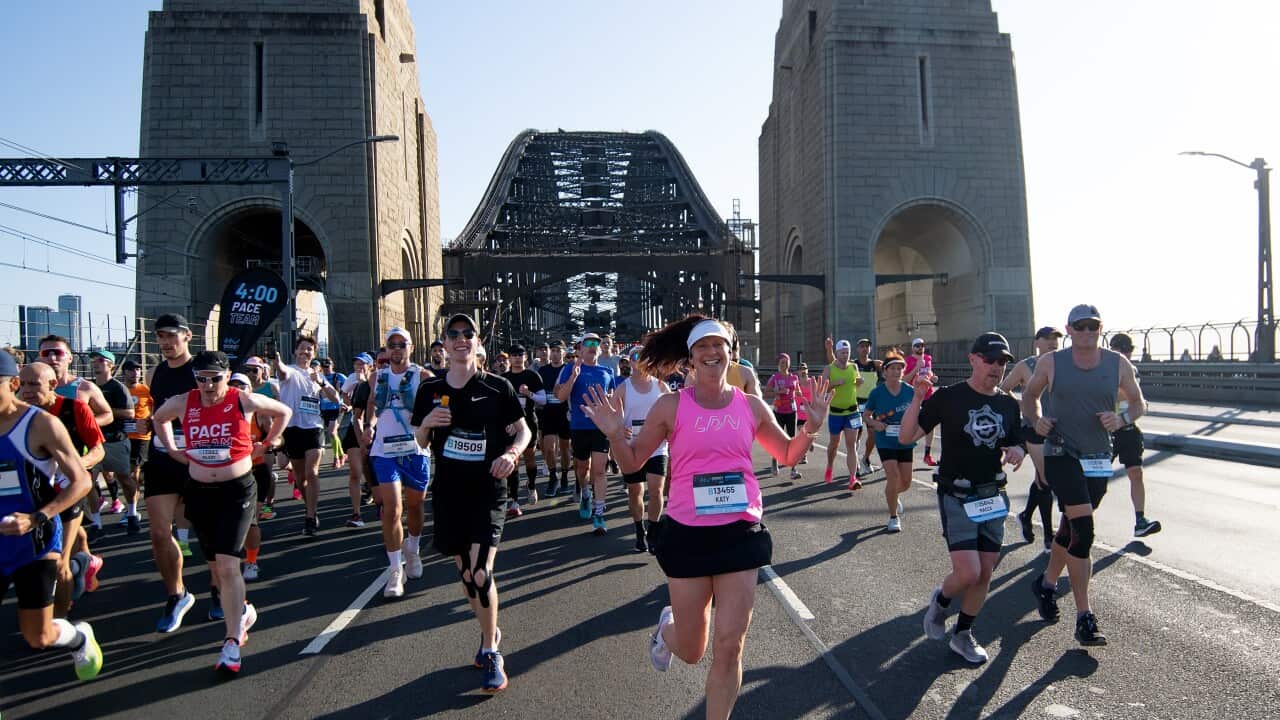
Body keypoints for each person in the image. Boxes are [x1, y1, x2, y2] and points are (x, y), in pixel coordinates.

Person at [580, 315, 830, 720]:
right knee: (692, 651)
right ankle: (667, 631)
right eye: (702, 347)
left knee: (729, 646)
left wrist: (810, 427)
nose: (712, 353)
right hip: (688, 534)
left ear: (731, 353)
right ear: (690, 359)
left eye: (718, 346)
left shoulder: (750, 405)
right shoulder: (671, 406)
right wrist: (612, 434)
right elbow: (633, 462)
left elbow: (787, 454)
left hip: (740, 532)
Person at [412, 313, 531, 693]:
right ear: (444, 344)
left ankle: (492, 651)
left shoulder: (497, 387)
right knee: (466, 575)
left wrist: (511, 454)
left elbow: (524, 430)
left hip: (488, 489)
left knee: (480, 572)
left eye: (468, 334)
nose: (461, 339)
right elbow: (420, 441)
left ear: (478, 342)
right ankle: (488, 630)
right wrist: (427, 423)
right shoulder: (430, 390)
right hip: (449, 492)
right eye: (454, 334)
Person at [151, 351, 290, 674]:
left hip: (236, 490)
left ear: (227, 377)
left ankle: (231, 643)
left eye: (215, 379)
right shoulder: (184, 402)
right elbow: (159, 418)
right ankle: (242, 610)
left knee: (228, 566)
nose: (208, 385)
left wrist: (266, 443)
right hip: (200, 491)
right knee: (216, 568)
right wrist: (172, 449)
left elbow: (283, 411)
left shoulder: (242, 399)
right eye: (202, 379)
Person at [1021, 304, 1146, 646]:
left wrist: (1122, 419)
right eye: (1080, 326)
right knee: (1085, 531)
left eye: (1093, 326)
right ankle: (1084, 616)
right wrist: (1036, 421)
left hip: (1098, 456)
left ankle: (1045, 585)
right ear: (1069, 330)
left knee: (1070, 528)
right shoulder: (1052, 362)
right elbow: (1029, 396)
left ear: (1100, 328)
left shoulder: (1117, 364)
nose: (1087, 332)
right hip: (1061, 452)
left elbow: (1138, 403)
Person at [901, 332, 1025, 664]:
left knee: (984, 573)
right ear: (973, 359)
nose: (996, 367)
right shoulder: (948, 397)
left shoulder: (1008, 404)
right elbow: (907, 436)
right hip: (957, 494)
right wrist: (917, 398)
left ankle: (963, 634)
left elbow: (1017, 439)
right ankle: (941, 602)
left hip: (993, 495)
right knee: (969, 572)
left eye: (1002, 362)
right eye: (990, 360)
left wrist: (1018, 450)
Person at [0, 349, 103, 681]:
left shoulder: (41, 424)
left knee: (38, 636)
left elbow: (82, 481)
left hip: (34, 540)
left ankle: (79, 637)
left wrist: (38, 517)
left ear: (12, 384)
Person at [18, 363, 106, 618]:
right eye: (22, 385)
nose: (26, 391)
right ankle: (86, 561)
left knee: (58, 563)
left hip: (69, 490)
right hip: (34, 493)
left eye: (34, 384)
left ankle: (61, 620)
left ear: (53, 385)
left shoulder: (75, 408)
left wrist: (75, 465)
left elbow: (98, 449)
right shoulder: (18, 413)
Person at [139, 314, 199, 632]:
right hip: (162, 457)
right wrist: (148, 423)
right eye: (160, 336)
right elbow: (157, 412)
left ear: (187, 336)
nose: (164, 342)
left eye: (171, 336)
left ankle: (223, 592)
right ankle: (177, 594)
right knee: (160, 534)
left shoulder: (201, 370)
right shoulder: (155, 373)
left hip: (198, 458)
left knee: (212, 534)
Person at [362, 328, 431, 598]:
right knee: (392, 509)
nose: (397, 349)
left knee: (415, 506)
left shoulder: (423, 376)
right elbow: (372, 404)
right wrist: (369, 425)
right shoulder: (377, 376)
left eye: (402, 344)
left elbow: (439, 404)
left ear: (411, 347)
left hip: (415, 449)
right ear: (386, 348)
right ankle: (394, 570)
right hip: (385, 450)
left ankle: (412, 549)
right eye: (392, 344)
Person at [1000, 326, 1063, 552]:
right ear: (1037, 342)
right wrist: (1021, 404)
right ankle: (1049, 536)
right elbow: (1004, 389)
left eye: (1056, 338)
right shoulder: (1025, 366)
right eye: (1047, 338)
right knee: (1047, 480)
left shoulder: (1065, 363)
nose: (1052, 342)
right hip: (1034, 429)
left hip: (1061, 429)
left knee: (1042, 480)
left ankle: (1026, 516)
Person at [272, 335, 340, 536]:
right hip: (292, 429)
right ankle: (308, 504)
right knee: (300, 477)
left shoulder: (317, 375)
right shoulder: (290, 371)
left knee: (312, 472)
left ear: (314, 353)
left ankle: (311, 515)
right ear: (295, 351)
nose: (305, 351)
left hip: (313, 427)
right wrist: (276, 362)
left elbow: (335, 398)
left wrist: (321, 382)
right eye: (302, 348)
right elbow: (282, 371)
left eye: (309, 349)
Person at [555, 332, 617, 534]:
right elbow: (561, 396)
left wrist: (610, 402)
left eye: (595, 343)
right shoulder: (569, 368)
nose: (592, 346)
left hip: (601, 428)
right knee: (582, 469)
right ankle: (585, 493)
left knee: (599, 471)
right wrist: (573, 377)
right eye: (588, 343)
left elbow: (614, 400)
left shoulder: (607, 371)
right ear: (580, 348)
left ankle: (599, 514)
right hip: (579, 427)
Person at [615, 345, 670, 552]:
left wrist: (668, 430)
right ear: (630, 362)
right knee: (635, 491)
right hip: (632, 447)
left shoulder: (660, 386)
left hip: (657, 446)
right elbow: (612, 415)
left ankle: (653, 531)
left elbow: (673, 411)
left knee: (656, 490)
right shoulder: (624, 388)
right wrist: (620, 429)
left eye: (644, 355)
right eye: (636, 356)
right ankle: (639, 530)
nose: (640, 359)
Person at [1107, 333, 1161, 537]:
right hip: (1104, 432)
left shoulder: (1131, 370)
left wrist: (1135, 404)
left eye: (1129, 350)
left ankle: (1140, 520)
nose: (1128, 354)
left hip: (1128, 428)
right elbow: (1119, 395)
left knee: (1136, 472)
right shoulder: (1101, 369)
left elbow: (1135, 399)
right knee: (1096, 481)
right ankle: (1077, 521)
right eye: (1124, 350)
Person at [227, 373, 275, 581]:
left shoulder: (259, 414)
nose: (237, 389)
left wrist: (265, 445)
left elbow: (277, 438)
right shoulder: (218, 413)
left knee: (250, 519)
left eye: (242, 386)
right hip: (227, 474)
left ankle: (251, 561)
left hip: (254, 472)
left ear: (250, 390)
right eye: (233, 385)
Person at [862, 352, 914, 533]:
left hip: (905, 440)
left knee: (906, 482)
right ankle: (893, 517)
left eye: (899, 368)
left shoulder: (910, 391)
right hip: (885, 440)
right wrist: (875, 423)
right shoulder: (877, 393)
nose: (896, 372)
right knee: (892, 476)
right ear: (884, 372)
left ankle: (893, 495)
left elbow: (917, 411)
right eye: (892, 368)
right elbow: (866, 415)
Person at [84, 350, 133, 540]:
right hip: (94, 441)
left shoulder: (118, 387)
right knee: (89, 482)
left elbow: (129, 413)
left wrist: (102, 410)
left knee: (125, 479)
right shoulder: (88, 386)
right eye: (93, 360)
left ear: (110, 365)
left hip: (115, 440)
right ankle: (96, 524)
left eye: (100, 360)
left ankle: (132, 512)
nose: (95, 363)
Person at [501, 346, 545, 517]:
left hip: (529, 423)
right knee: (513, 461)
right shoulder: (504, 379)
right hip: (510, 425)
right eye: (514, 355)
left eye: (520, 355)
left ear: (526, 357)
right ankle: (514, 501)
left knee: (529, 459)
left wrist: (528, 393)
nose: (517, 358)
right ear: (510, 358)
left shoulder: (532, 376)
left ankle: (531, 485)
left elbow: (543, 400)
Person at [37, 335, 112, 428]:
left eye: (58, 352)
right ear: (40, 358)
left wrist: (82, 425)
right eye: (45, 353)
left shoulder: (85, 387)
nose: (52, 358)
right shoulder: (29, 386)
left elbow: (107, 414)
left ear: (70, 358)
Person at [821, 339, 864, 488]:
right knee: (834, 444)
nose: (845, 355)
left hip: (852, 411)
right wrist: (834, 383)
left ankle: (853, 478)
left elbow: (857, 381)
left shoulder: (853, 366)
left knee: (851, 445)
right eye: (843, 353)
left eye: (847, 352)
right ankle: (830, 466)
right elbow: (822, 388)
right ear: (837, 353)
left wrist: (859, 381)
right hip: (836, 413)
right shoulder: (829, 368)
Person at [341, 353, 374, 522]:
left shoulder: (378, 381)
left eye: (362, 364)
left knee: (371, 469)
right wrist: (348, 404)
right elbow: (344, 393)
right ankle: (356, 514)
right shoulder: (352, 378)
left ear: (370, 366)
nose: (359, 367)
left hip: (375, 430)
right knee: (355, 471)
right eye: (356, 364)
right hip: (355, 428)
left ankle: (373, 490)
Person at [536, 340, 571, 496]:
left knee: (564, 449)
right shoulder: (542, 371)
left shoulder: (569, 370)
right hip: (548, 413)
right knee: (549, 448)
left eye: (558, 350)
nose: (555, 353)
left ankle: (564, 477)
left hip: (564, 413)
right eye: (553, 350)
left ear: (564, 352)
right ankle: (552, 477)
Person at [120, 359, 151, 535]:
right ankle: (131, 506)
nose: (135, 373)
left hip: (141, 438)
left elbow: (155, 409)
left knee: (133, 473)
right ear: (124, 372)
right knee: (124, 474)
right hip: (123, 437)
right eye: (131, 370)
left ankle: (131, 510)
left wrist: (149, 422)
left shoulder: (145, 390)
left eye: (138, 369)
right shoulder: (120, 389)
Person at [764, 353, 802, 479]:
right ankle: (774, 460)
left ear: (789, 363)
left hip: (792, 411)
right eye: (781, 362)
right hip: (779, 411)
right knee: (778, 439)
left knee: (792, 439)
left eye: (786, 362)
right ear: (778, 364)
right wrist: (779, 391)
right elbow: (766, 393)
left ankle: (793, 469)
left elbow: (798, 392)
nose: (784, 365)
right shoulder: (774, 378)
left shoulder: (794, 377)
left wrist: (800, 394)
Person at [905, 338, 939, 466]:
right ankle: (905, 452)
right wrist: (916, 368)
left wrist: (932, 377)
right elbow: (904, 380)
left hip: (928, 396)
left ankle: (927, 455)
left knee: (930, 424)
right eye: (917, 346)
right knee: (912, 426)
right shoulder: (908, 361)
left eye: (922, 345)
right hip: (913, 397)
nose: (920, 348)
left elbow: (928, 373)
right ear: (912, 348)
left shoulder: (928, 359)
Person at [853, 338, 883, 475]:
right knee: (856, 435)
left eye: (867, 346)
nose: (865, 348)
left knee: (873, 434)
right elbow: (835, 363)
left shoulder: (876, 365)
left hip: (871, 404)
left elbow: (889, 370)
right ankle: (855, 462)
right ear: (857, 349)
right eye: (862, 346)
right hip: (855, 403)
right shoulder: (853, 365)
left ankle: (865, 458)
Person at [318, 358, 347, 470]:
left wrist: (346, 403)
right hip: (324, 409)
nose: (326, 369)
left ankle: (336, 458)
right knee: (333, 434)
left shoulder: (339, 377)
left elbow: (348, 389)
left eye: (328, 366)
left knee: (332, 432)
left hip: (336, 408)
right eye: (324, 367)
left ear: (332, 365)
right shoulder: (319, 377)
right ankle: (342, 454)